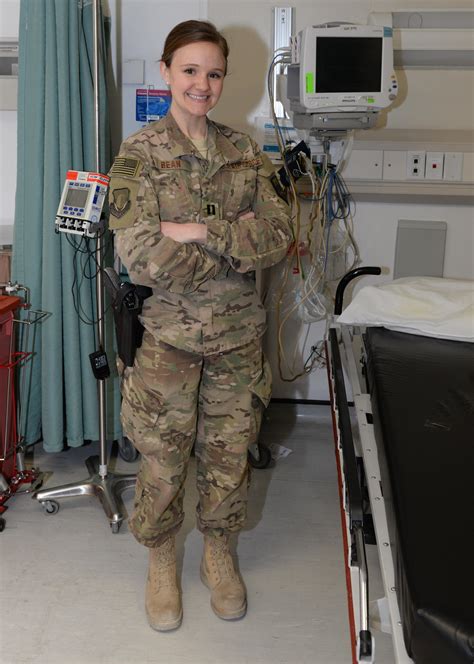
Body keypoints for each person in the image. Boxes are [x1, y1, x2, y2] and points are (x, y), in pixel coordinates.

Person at [108, 19, 292, 632]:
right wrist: (232, 241)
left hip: (240, 340)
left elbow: (278, 235)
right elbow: (138, 253)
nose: (202, 84)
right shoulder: (139, 155)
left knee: (228, 455)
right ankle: (162, 560)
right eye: (190, 70)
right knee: (162, 460)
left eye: (213, 73)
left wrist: (196, 231)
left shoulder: (243, 150)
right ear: (166, 72)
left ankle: (219, 553)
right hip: (171, 341)